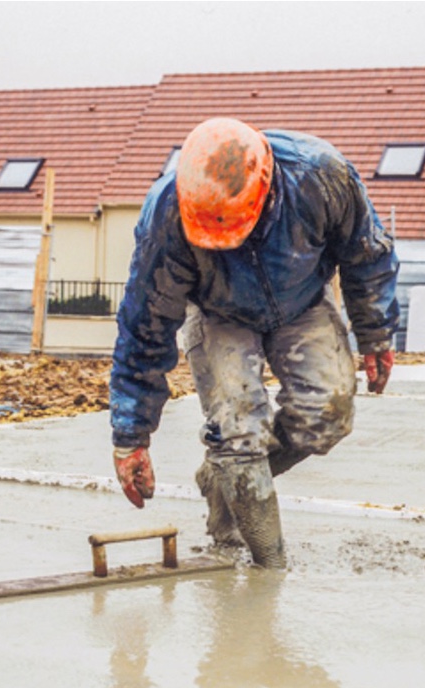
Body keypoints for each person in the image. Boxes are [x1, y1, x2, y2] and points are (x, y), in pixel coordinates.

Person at [110, 118, 399, 568]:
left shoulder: (321, 175)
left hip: (301, 299)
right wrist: (131, 437)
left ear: (265, 189)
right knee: (237, 433)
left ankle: (222, 478)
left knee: (327, 416)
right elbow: (143, 327)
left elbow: (366, 254)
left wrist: (375, 332)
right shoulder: (166, 215)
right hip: (217, 313)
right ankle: (270, 564)